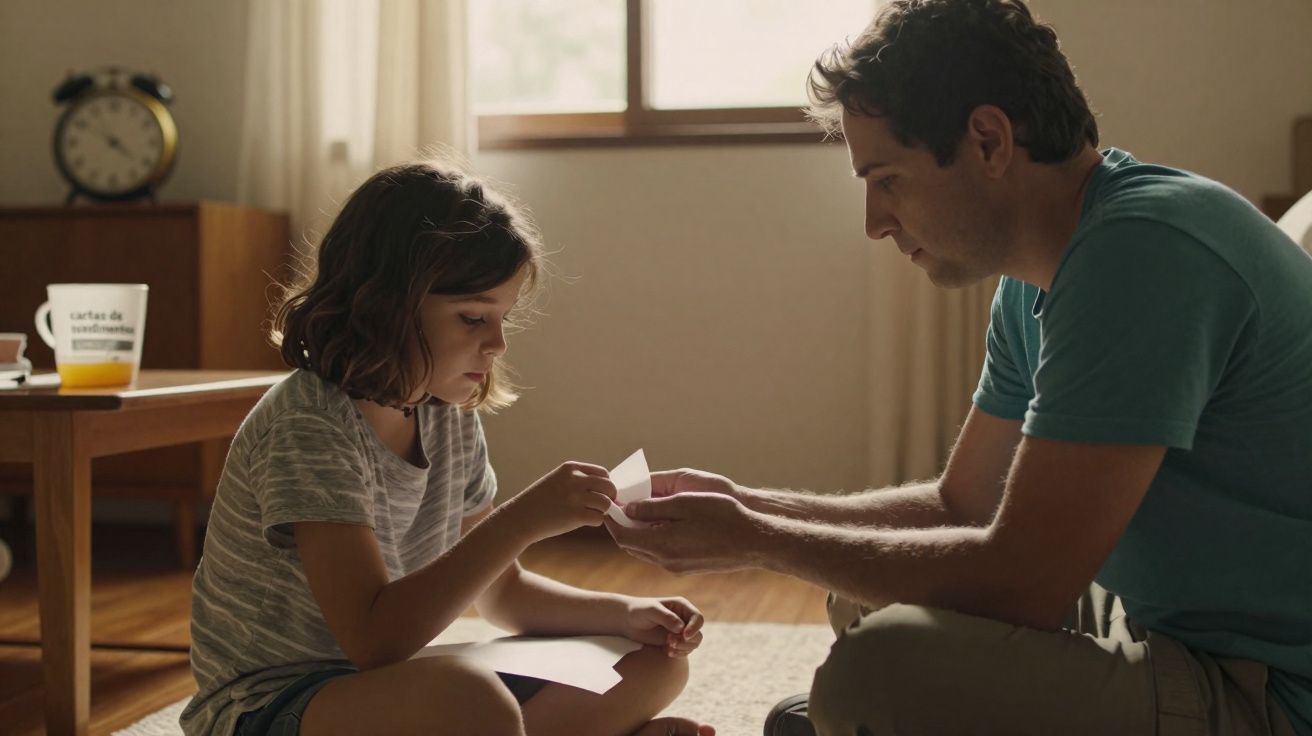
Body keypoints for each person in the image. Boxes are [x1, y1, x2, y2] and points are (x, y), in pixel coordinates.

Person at [606, 1, 1312, 735]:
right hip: (1159, 625)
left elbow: (1023, 584)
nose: (875, 221)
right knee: (869, 598)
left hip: (1269, 692)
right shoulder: (1036, 279)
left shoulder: (1143, 253)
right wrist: (754, 507)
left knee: (877, 672)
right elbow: (963, 505)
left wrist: (756, 541)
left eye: (888, 179)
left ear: (987, 139)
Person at [181, 161, 714, 736]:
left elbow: (502, 594)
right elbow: (375, 641)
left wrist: (628, 613)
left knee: (651, 664)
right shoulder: (310, 425)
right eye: (472, 318)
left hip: (385, 688)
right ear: (386, 303)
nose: (498, 343)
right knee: (469, 700)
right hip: (271, 706)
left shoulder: (447, 415)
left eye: (503, 318)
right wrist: (520, 522)